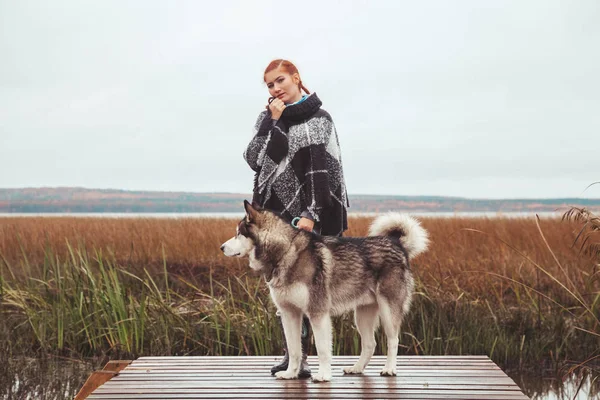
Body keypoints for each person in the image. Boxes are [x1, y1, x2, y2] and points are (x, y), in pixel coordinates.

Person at [243, 59, 349, 378]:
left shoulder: (319, 118)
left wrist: (311, 214)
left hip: (317, 215)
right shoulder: (269, 117)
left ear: (296, 78)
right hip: (276, 216)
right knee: (282, 287)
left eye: (280, 81)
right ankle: (294, 360)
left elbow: (323, 173)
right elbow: (254, 159)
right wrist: (272, 122)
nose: (276, 89)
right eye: (270, 85)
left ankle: (317, 362)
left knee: (311, 290)